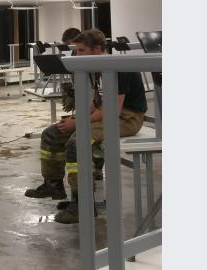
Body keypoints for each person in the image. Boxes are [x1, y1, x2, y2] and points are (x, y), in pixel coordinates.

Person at [24, 29, 146, 224]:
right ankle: (53, 184)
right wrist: (76, 118)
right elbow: (98, 103)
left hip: (128, 117)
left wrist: (79, 122)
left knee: (77, 141)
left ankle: (82, 203)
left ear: (97, 49)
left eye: (81, 50)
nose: (76, 55)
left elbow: (114, 109)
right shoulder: (93, 68)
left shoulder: (118, 67)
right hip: (106, 112)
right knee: (52, 133)